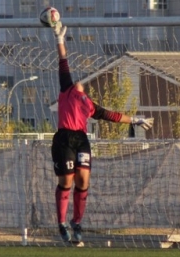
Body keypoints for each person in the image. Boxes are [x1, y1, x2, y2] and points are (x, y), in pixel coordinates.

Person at [49, 19, 153, 243]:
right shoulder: (67, 89)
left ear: (85, 90)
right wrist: (59, 38)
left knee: (83, 180)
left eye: (82, 84)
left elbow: (112, 116)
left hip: (81, 139)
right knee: (66, 182)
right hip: (63, 138)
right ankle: (61, 223)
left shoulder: (89, 105)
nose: (79, 83)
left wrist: (135, 120)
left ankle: (77, 222)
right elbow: (63, 60)